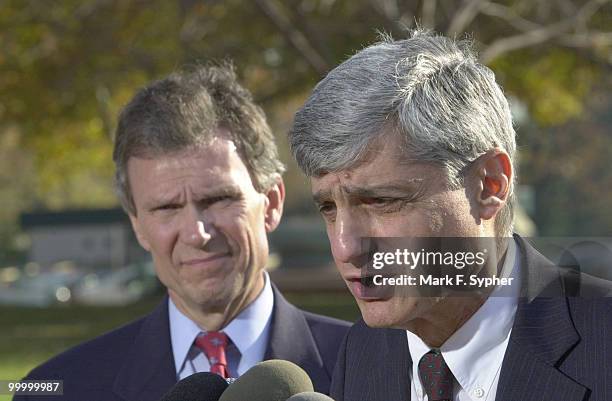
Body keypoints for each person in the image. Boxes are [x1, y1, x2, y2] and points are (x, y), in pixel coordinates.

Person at [288, 30, 612, 401]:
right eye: (328, 208)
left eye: (380, 201)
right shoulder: (364, 350)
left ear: (490, 184)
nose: (345, 247)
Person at [17, 64, 349, 401]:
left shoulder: (383, 369)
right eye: (166, 208)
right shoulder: (55, 388)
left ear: (272, 203)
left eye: (218, 199)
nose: (197, 234)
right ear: (137, 225)